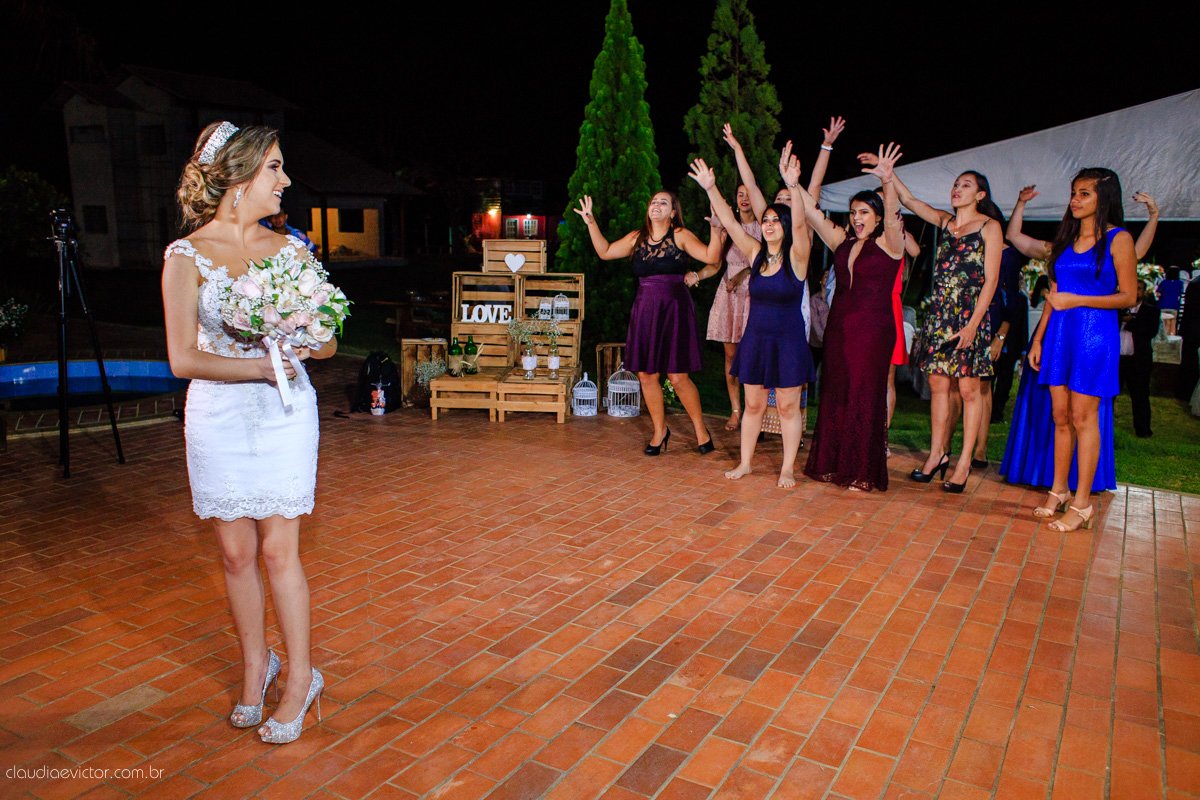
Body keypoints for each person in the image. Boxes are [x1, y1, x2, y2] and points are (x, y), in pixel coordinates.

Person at [162, 122, 334, 744]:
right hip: (217, 414)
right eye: (275, 168)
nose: (285, 181)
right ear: (237, 177)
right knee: (235, 554)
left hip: (284, 413)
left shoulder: (290, 252)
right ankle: (256, 665)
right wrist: (255, 365)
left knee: (277, 550)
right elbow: (182, 357)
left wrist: (309, 339)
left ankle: (301, 678)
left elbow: (329, 336)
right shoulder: (185, 257)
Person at [1001, 187, 1158, 493]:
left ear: (1104, 198)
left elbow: (1126, 287)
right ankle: (1057, 490)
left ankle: (1081, 500)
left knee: (1082, 417)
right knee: (1060, 415)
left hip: (1093, 334)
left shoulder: (1117, 239)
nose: (1074, 199)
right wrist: (1039, 339)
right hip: (1057, 333)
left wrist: (1154, 215)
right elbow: (1051, 289)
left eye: (1084, 193)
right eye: (1073, 192)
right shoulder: (1063, 244)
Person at [690, 144, 814, 487]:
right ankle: (746, 462)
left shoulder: (798, 257)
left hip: (788, 341)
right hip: (756, 338)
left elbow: (802, 225)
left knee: (788, 407)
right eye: (767, 220)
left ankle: (787, 467)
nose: (770, 224)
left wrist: (792, 186)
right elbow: (729, 221)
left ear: (786, 226)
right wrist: (710, 188)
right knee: (754, 405)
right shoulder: (756, 253)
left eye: (777, 220)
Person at [574, 189, 721, 455]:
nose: (656, 205)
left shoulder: (680, 235)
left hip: (674, 309)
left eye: (663, 202)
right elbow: (605, 251)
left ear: (673, 212)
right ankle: (659, 431)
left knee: (677, 376)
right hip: (646, 309)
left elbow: (712, 258)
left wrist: (715, 229)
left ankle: (701, 430)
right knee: (646, 373)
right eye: (653, 201)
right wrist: (591, 222)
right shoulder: (636, 238)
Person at [884, 166, 1002, 493]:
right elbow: (908, 199)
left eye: (965, 185)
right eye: (955, 184)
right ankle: (938, 453)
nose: (957, 188)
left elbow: (991, 280)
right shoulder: (945, 222)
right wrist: (887, 174)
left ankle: (964, 462)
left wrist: (973, 326)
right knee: (938, 384)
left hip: (970, 317)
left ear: (980, 195)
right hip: (940, 315)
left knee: (968, 391)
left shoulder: (990, 228)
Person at [798, 143, 906, 491]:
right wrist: (792, 182)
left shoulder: (892, 242)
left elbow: (892, 215)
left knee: (863, 393)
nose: (857, 218)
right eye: (853, 212)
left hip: (873, 330)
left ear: (876, 216)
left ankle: (861, 470)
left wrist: (888, 181)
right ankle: (833, 464)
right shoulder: (842, 242)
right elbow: (812, 213)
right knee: (837, 391)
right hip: (839, 327)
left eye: (863, 212)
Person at [703, 178, 759, 431]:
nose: (744, 198)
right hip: (729, 295)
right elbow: (715, 261)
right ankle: (735, 410)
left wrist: (744, 274)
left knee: (753, 355)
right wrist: (697, 275)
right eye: (739, 194)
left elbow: (765, 261)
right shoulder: (728, 227)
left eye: (748, 194)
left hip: (753, 295)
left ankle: (754, 410)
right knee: (730, 355)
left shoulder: (762, 227)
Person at [1121, 280, 1160, 437]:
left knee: (1140, 397)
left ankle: (1143, 430)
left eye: (1139, 289)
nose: (1135, 291)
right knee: (1108, 397)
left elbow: (1150, 331)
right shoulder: (1115, 309)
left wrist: (1131, 323)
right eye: (1133, 287)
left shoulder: (1151, 311)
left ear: (1143, 292)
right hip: (1116, 360)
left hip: (1137, 361)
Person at [1178, 272, 1200, 400]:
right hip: (1195, 330)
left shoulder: (1195, 283)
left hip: (1190, 328)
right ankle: (1188, 393)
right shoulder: (1196, 284)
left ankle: (1185, 392)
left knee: (1189, 363)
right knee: (1192, 364)